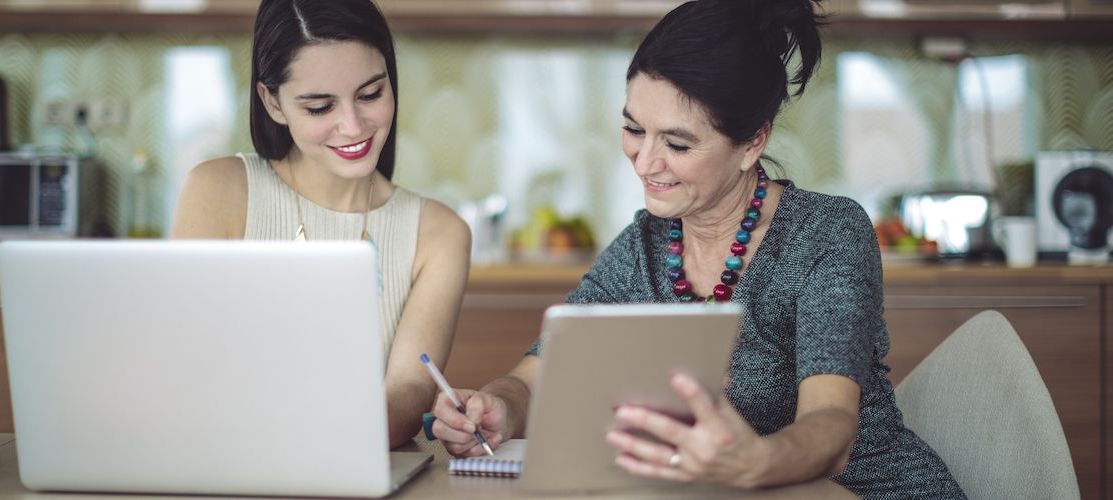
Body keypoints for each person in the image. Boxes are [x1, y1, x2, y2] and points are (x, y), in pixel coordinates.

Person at [429, 0, 965, 496]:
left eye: (678, 144)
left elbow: (833, 427)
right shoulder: (644, 246)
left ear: (753, 140)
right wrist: (499, 404)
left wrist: (753, 460)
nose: (644, 162)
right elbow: (537, 375)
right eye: (634, 129)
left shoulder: (824, 234)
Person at [172, 0, 471, 449]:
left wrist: (316, 446)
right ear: (272, 102)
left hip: (355, 472)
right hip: (226, 466)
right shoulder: (218, 191)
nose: (353, 126)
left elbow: (408, 392)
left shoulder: (439, 233)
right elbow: (187, 369)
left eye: (371, 94)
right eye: (318, 107)